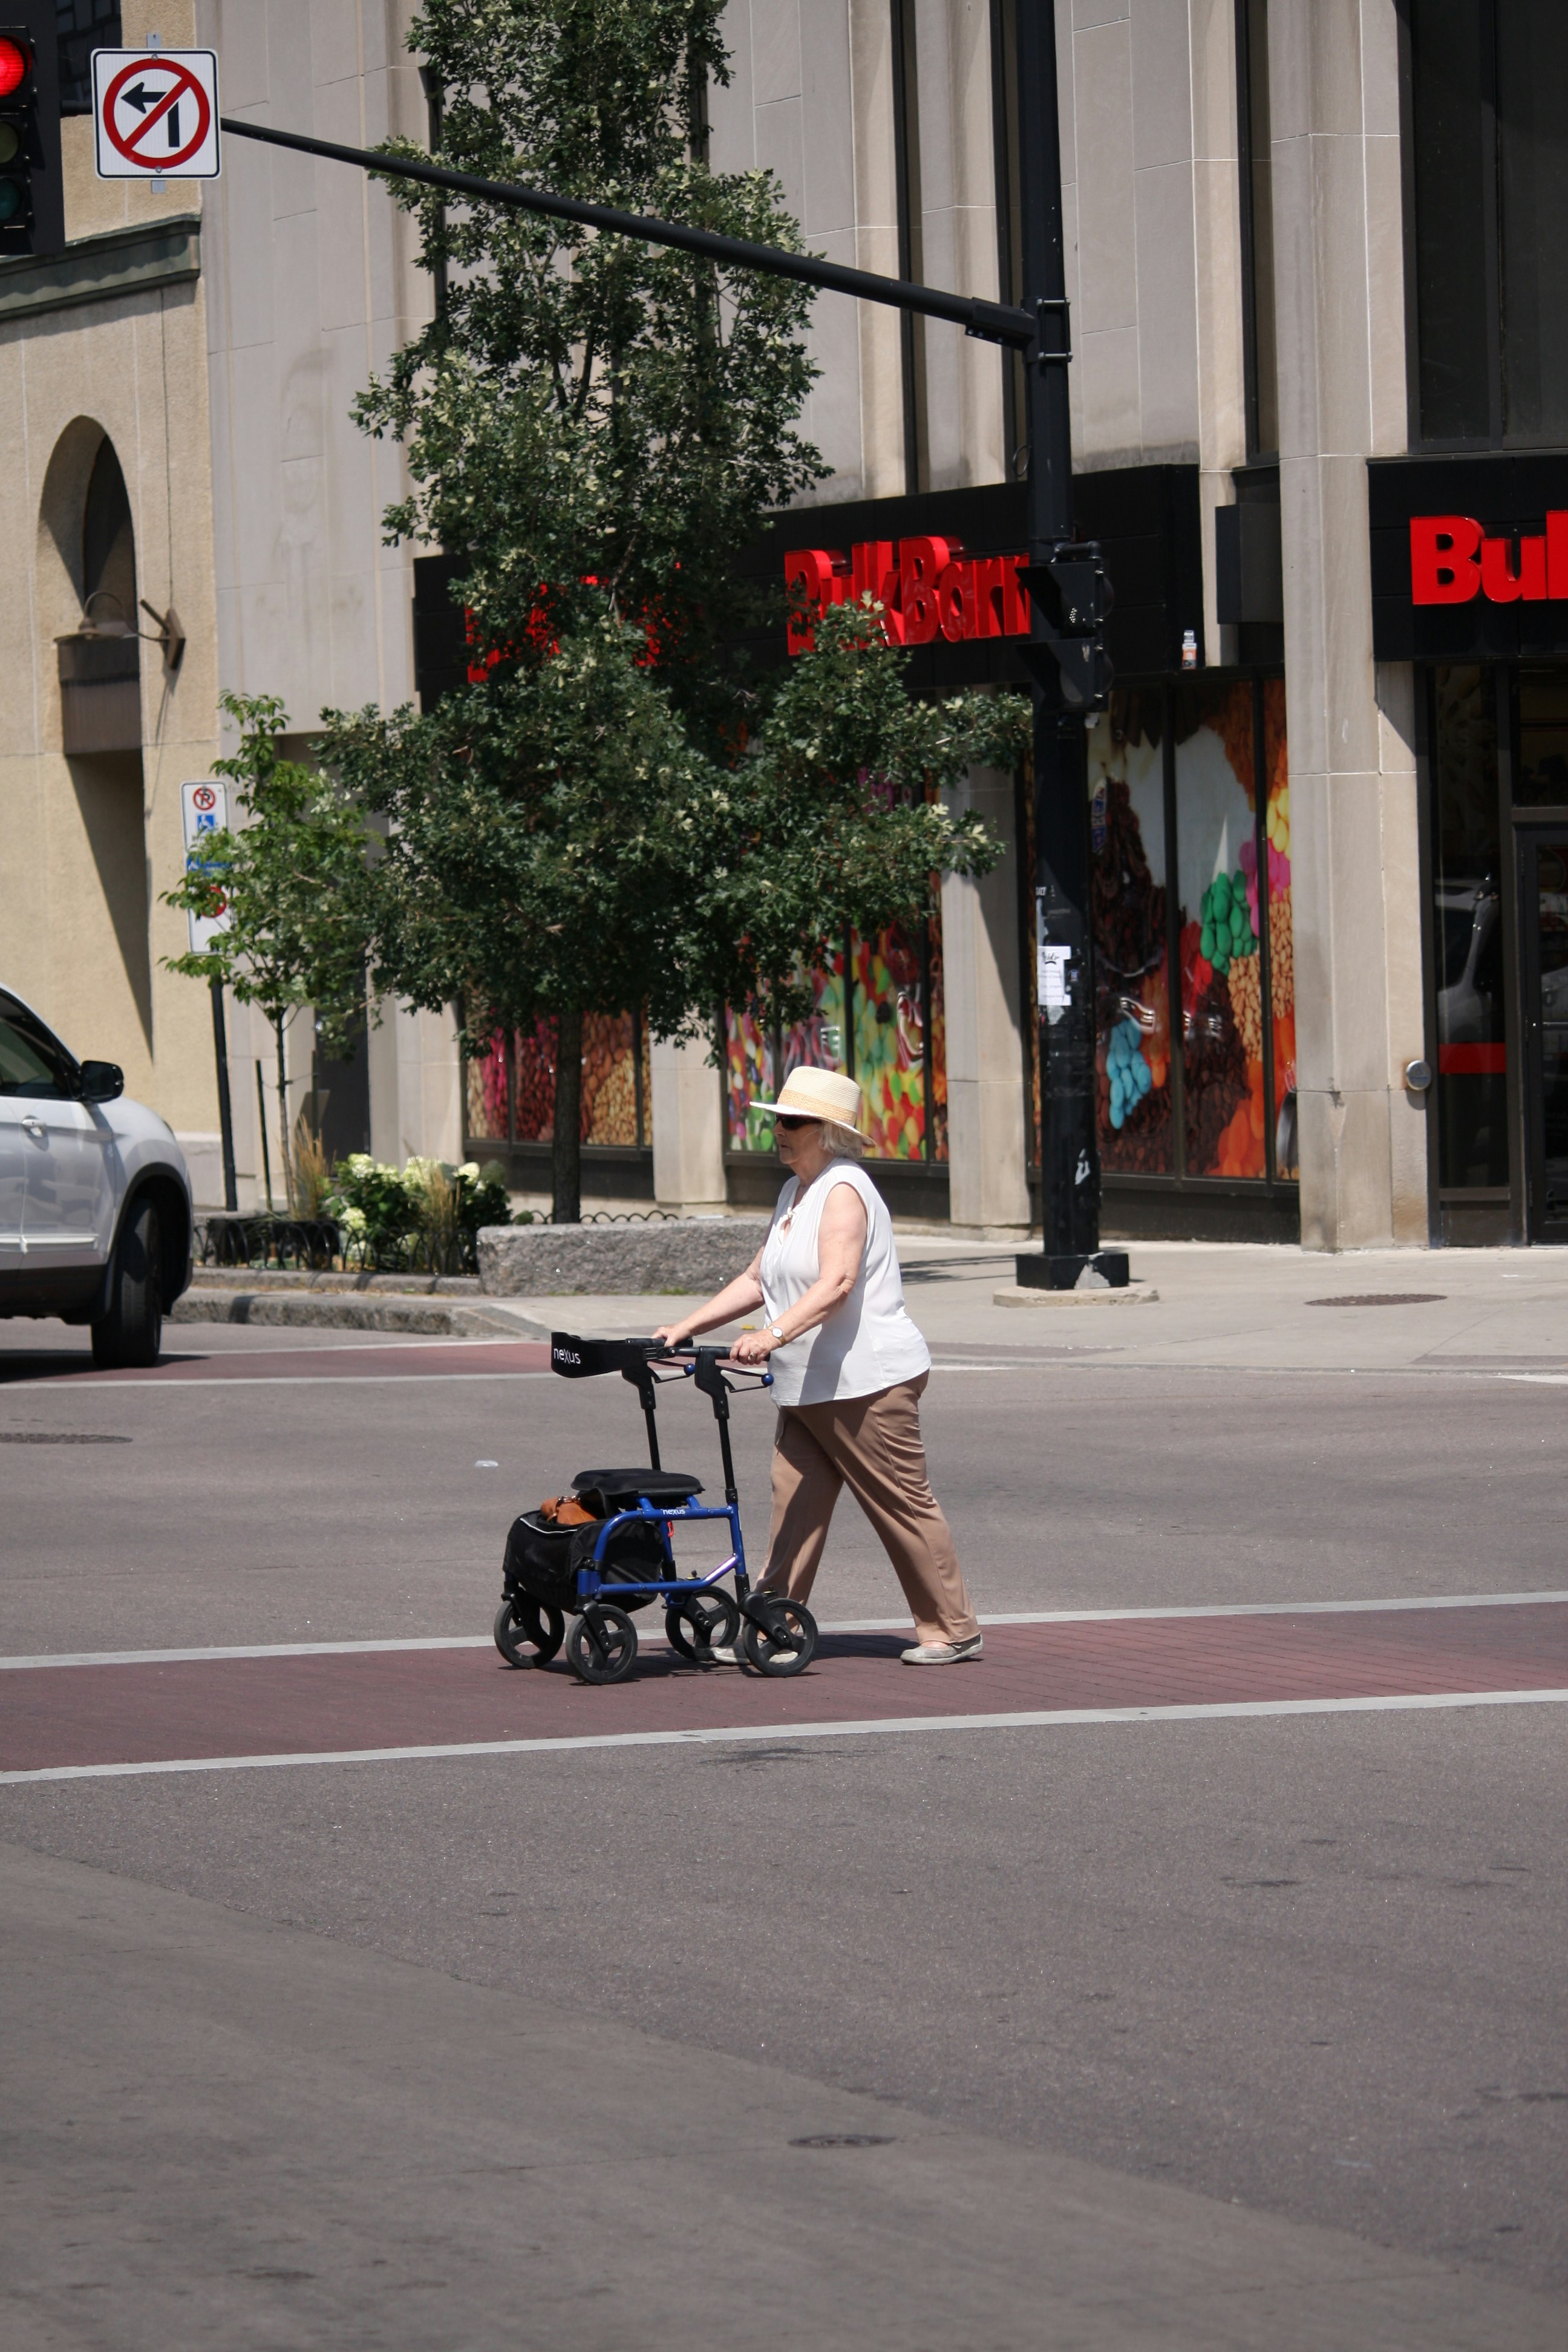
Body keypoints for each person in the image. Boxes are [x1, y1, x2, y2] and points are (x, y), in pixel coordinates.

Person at [652, 1066, 982, 1665]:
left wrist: (773, 1335)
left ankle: (952, 1630)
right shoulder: (795, 1192)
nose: (779, 1130)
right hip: (808, 1384)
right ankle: (772, 1626)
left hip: (868, 1382)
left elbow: (838, 1282)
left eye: (793, 1121)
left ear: (829, 1132)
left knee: (901, 1505)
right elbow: (760, 1277)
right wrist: (688, 1326)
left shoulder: (844, 1190)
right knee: (794, 1507)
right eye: (777, 1119)